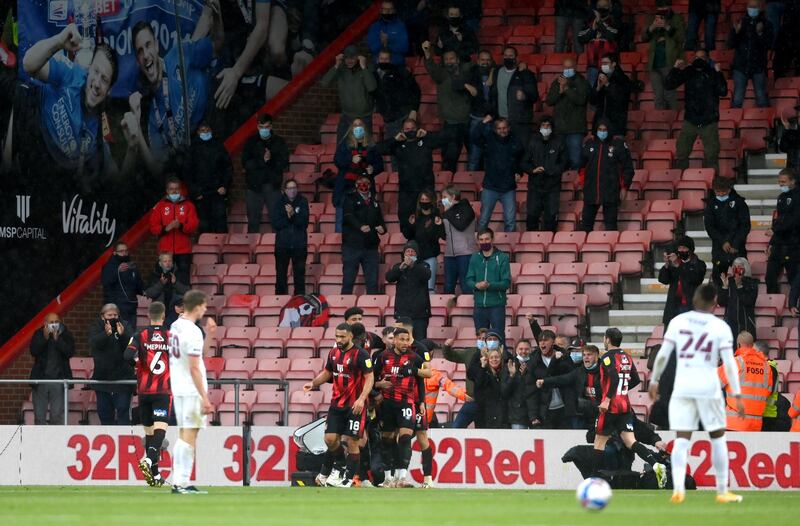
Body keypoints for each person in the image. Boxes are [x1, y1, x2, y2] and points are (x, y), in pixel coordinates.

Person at [650, 283, 746, 504]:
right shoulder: (720, 327)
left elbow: (663, 354)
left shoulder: (677, 322)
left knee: (682, 440)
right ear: (714, 303)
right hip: (708, 388)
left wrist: (654, 380)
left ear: (693, 300)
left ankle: (678, 490)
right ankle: (722, 491)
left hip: (683, 387)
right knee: (718, 439)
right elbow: (730, 363)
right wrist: (737, 394)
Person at [8, 24, 123, 188]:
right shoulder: (72, 74)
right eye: (96, 72)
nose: (97, 83)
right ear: (89, 70)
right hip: (34, 124)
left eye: (104, 80)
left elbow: (113, 175)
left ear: (109, 90)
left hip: (52, 169)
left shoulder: (100, 124)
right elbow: (28, 64)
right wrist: (59, 41)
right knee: (19, 93)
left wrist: (133, 147)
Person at [129, 19, 214, 174]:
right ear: (137, 61)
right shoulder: (154, 120)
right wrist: (137, 128)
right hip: (196, 158)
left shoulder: (179, 54)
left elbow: (216, 46)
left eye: (148, 45)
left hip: (214, 117)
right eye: (140, 51)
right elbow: (157, 170)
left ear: (156, 45)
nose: (146, 55)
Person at [305, 323, 374, 487]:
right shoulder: (333, 353)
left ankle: (348, 478)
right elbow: (328, 372)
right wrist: (314, 383)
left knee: (352, 441)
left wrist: (362, 398)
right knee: (329, 439)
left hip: (355, 405)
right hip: (337, 404)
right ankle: (341, 465)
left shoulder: (361, 354)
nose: (339, 339)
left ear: (350, 336)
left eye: (342, 336)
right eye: (337, 336)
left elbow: (370, 378)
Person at [591, 328, 664, 483]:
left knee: (599, 442)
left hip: (610, 407)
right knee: (631, 441)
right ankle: (656, 464)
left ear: (608, 339)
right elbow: (636, 379)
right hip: (625, 407)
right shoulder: (627, 357)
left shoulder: (606, 358)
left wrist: (608, 399)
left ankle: (594, 480)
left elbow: (615, 379)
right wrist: (621, 392)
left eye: (604, 338)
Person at [168, 289, 215, 494]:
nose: (205, 309)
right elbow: (195, 366)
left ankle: (180, 481)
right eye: (204, 306)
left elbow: (200, 354)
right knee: (189, 434)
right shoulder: (192, 331)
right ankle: (181, 482)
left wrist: (211, 335)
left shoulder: (175, 325)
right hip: (191, 389)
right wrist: (205, 397)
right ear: (197, 306)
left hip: (178, 387)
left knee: (184, 433)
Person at [124, 301, 171, 487]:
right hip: (162, 390)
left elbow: (127, 355)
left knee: (150, 433)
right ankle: (149, 460)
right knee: (160, 430)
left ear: (149, 316)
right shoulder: (170, 336)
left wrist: (138, 364)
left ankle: (155, 475)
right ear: (164, 315)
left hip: (144, 391)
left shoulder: (140, 335)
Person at [374, 328, 427, 487]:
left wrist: (421, 401)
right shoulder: (383, 357)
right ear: (395, 340)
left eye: (407, 339)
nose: (405, 343)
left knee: (405, 438)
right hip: (387, 403)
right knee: (387, 440)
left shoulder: (414, 357)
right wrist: (378, 385)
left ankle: (401, 478)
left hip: (406, 402)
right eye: (401, 339)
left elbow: (424, 377)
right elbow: (370, 379)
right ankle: (388, 479)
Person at [664, 50, 727, 174]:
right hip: (690, 120)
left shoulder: (712, 73)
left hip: (709, 120)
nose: (698, 60)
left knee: (712, 156)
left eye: (702, 58)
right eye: (696, 57)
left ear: (707, 59)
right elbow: (668, 85)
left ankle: (712, 186)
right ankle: (680, 181)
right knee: (681, 153)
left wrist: (719, 72)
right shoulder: (689, 71)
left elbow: (723, 91)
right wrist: (675, 68)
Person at [422, 41, 474, 173]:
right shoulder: (442, 74)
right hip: (450, 124)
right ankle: (447, 188)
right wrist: (427, 53)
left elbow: (485, 65)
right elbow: (431, 68)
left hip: (468, 122)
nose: (449, 61)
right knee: (449, 160)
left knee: (476, 158)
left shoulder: (468, 70)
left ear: (457, 59)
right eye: (446, 59)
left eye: (452, 58)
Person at [386, 119, 445, 231]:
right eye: (407, 129)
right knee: (407, 223)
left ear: (417, 129)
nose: (410, 131)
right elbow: (379, 149)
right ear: (402, 131)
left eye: (413, 128)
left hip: (425, 190)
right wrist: (394, 139)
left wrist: (427, 134)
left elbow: (445, 139)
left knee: (429, 224)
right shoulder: (398, 145)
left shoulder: (426, 141)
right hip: (406, 192)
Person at [579, 120, 634, 232]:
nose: (602, 132)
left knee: (611, 226)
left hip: (611, 191)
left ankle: (611, 248)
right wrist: (583, 185)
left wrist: (624, 187)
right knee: (585, 225)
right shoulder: (589, 144)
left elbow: (628, 168)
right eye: (600, 130)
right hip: (591, 190)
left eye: (605, 130)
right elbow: (582, 168)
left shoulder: (618, 145)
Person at [474, 116, 524, 232]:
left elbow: (521, 159)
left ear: (509, 128)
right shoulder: (489, 140)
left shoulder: (515, 141)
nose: (502, 130)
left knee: (510, 221)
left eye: (505, 128)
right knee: (483, 220)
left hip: (508, 188)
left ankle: (509, 247)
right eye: (499, 128)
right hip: (490, 187)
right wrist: (482, 123)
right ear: (495, 129)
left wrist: (519, 172)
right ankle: (480, 247)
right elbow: (474, 137)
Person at [242, 113, 290, 234]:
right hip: (254, 186)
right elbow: (245, 163)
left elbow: (284, 162)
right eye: (261, 127)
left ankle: (278, 248)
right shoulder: (250, 143)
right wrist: (262, 161)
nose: (264, 129)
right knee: (253, 220)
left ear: (271, 127)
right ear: (258, 127)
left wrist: (271, 160)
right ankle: (252, 249)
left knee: (276, 219)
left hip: (272, 185)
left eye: (266, 127)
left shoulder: (279, 142)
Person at [334, 119, 384, 232]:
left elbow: (380, 164)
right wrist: (350, 160)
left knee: (366, 221)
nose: (358, 128)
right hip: (346, 189)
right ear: (351, 129)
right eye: (355, 125)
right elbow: (337, 161)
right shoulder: (344, 145)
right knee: (342, 220)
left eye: (360, 125)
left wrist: (373, 168)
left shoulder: (371, 146)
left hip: (366, 189)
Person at [182, 122, 233, 234]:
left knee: (221, 227)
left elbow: (228, 168)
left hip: (217, 193)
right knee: (204, 228)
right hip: (201, 196)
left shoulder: (219, 147)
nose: (205, 132)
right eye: (202, 130)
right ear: (198, 132)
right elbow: (187, 174)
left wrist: (224, 185)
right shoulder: (192, 150)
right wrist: (195, 192)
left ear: (211, 131)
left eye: (207, 130)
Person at [89, 304, 134, 426]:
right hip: (103, 378)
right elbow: (94, 343)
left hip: (123, 378)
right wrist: (106, 334)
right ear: (103, 316)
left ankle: (123, 440)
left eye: (115, 315)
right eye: (109, 315)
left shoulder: (125, 325)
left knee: (123, 410)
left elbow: (132, 345)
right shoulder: (97, 326)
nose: (113, 317)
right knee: (104, 412)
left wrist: (122, 335)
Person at [149, 177, 199, 285]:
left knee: (183, 281)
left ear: (180, 190)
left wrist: (180, 226)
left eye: (176, 189)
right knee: (165, 280)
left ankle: (182, 301)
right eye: (171, 189)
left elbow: (193, 225)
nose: (174, 191)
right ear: (167, 191)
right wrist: (166, 228)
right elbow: (153, 227)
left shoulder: (189, 206)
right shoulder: (160, 206)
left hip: (184, 251)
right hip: (165, 251)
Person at [718, 331, 773, 431]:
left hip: (735, 422)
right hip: (756, 424)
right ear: (752, 345)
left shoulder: (736, 362)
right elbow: (768, 391)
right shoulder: (766, 366)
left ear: (738, 344)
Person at [321, 45, 376, 143]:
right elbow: (324, 83)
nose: (349, 61)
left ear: (358, 58)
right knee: (341, 147)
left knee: (365, 148)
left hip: (364, 117)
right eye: (347, 58)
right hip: (346, 116)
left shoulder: (367, 68)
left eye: (352, 58)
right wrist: (336, 65)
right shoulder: (341, 70)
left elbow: (372, 87)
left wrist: (363, 67)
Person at [342, 175, 386, 295]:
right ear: (356, 185)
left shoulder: (374, 202)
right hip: (352, 246)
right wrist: (360, 226)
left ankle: (372, 306)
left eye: (366, 182)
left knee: (372, 282)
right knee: (348, 280)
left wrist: (383, 229)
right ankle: (344, 307)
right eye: (360, 183)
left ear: (370, 185)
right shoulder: (350, 198)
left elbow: (380, 221)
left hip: (370, 247)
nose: (363, 185)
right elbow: (348, 216)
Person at [540, 344, 602, 430]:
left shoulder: (605, 372)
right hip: (581, 414)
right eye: (584, 355)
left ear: (596, 356)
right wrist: (545, 381)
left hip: (599, 413)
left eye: (589, 355)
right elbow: (562, 379)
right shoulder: (578, 372)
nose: (586, 357)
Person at [522, 117, 568, 232]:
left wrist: (550, 170)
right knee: (532, 215)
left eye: (548, 126)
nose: (546, 128)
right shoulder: (532, 141)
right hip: (535, 185)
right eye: (544, 126)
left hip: (553, 186)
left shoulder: (559, 142)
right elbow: (523, 162)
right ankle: (531, 243)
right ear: (540, 127)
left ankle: (550, 242)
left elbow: (564, 163)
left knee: (551, 216)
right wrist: (533, 170)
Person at [373, 50, 420, 161]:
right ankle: (396, 177)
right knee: (394, 151)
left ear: (391, 60)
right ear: (377, 60)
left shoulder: (400, 72)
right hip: (389, 119)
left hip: (403, 115)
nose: (384, 61)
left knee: (408, 149)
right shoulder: (373, 75)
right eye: (382, 59)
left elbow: (415, 90)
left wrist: (414, 110)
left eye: (386, 59)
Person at [704, 177, 751, 287]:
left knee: (741, 278)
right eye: (717, 192)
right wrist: (722, 242)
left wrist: (735, 243)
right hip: (719, 248)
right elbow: (709, 227)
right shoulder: (711, 204)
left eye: (723, 192)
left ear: (729, 189)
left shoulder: (739, 203)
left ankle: (740, 302)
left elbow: (745, 225)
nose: (720, 194)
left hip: (737, 247)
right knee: (718, 278)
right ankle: (721, 301)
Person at [29, 313, 75, 425]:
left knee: (56, 416)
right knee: (39, 417)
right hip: (41, 380)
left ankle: (55, 441)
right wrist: (44, 338)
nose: (54, 324)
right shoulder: (39, 333)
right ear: (45, 323)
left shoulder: (66, 334)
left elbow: (70, 352)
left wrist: (57, 340)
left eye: (56, 322)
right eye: (51, 322)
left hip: (59, 381)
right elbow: (34, 351)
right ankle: (40, 441)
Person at [546, 57, 590, 170]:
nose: (567, 69)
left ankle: (575, 185)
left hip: (576, 129)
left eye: (569, 67)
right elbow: (549, 101)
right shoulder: (557, 82)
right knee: (560, 160)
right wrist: (559, 92)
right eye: (565, 67)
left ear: (575, 67)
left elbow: (581, 100)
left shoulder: (582, 81)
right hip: (559, 128)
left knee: (575, 160)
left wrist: (566, 89)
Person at [489, 46, 539, 147]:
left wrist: (525, 96)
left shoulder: (525, 74)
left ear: (516, 58)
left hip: (520, 121)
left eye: (511, 56)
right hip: (501, 120)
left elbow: (534, 96)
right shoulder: (497, 71)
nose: (508, 58)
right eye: (506, 55)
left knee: (521, 151)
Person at [466, 228, 511, 335]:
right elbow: (468, 279)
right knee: (481, 339)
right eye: (481, 240)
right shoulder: (474, 258)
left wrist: (489, 285)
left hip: (497, 305)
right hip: (479, 305)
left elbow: (506, 282)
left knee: (498, 337)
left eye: (487, 239)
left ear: (492, 239)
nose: (484, 242)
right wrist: (476, 285)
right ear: (478, 241)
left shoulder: (502, 257)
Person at [729, 1, 773, 109]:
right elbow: (730, 44)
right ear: (747, 7)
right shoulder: (741, 22)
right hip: (740, 65)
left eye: (755, 7)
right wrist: (736, 32)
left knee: (761, 97)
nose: (752, 9)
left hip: (758, 65)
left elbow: (768, 45)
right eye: (750, 6)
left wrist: (759, 34)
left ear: (760, 7)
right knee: (737, 99)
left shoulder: (766, 24)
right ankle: (736, 123)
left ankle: (763, 122)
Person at [643, 2, 686, 110]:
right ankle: (660, 122)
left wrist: (667, 26)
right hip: (654, 63)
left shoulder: (677, 18)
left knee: (670, 95)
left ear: (669, 7)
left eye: (664, 8)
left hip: (669, 61)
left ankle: (675, 122)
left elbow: (681, 37)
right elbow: (643, 37)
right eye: (659, 8)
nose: (661, 10)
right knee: (658, 96)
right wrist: (652, 26)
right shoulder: (652, 18)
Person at [442, 329, 489, 428]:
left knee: (483, 432)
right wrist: (446, 347)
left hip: (488, 403)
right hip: (472, 400)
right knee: (456, 428)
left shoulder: (495, 355)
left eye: (484, 339)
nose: (481, 341)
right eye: (479, 338)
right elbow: (451, 355)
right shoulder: (470, 353)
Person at [270, 179, 310, 296]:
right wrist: (288, 217)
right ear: (284, 190)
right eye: (289, 188)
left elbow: (304, 224)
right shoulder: (278, 203)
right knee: (281, 276)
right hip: (282, 245)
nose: (292, 191)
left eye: (294, 188)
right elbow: (276, 224)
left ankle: (299, 300)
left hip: (299, 245)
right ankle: (280, 301)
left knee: (299, 276)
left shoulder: (303, 201)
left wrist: (293, 215)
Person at [386, 241, 432, 340]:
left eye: (413, 251)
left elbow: (427, 276)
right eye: (408, 251)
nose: (410, 254)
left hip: (420, 314)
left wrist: (413, 266)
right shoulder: (398, 266)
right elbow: (389, 278)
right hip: (402, 313)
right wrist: (400, 269)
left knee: (420, 342)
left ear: (417, 254)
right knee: (402, 340)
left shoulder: (424, 265)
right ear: (404, 254)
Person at [528, 331, 575, 429]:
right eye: (540, 340)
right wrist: (533, 416)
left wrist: (559, 361)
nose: (542, 343)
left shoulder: (564, 357)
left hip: (564, 409)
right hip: (544, 411)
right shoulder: (533, 361)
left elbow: (570, 378)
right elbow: (530, 390)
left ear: (553, 342)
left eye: (545, 340)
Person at [658, 235, 707, 327]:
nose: (681, 250)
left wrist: (678, 265)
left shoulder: (699, 264)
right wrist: (666, 265)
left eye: (684, 248)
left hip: (689, 306)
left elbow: (695, 279)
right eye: (679, 248)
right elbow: (663, 280)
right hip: (673, 306)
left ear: (690, 250)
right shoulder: (674, 263)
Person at [401, 191, 445, 291]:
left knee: (429, 289)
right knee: (413, 288)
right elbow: (408, 235)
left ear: (431, 201)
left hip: (430, 256)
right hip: (414, 258)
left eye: (427, 200)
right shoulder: (415, 217)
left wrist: (439, 225)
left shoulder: (436, 217)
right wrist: (410, 225)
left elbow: (443, 236)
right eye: (422, 200)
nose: (424, 202)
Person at [766, 168, 800, 293]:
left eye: (784, 182)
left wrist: (775, 229)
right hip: (778, 245)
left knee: (794, 279)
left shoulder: (798, 197)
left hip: (793, 244)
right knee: (770, 277)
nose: (781, 184)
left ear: (793, 181)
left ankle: (794, 306)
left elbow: (794, 220)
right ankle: (773, 303)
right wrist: (771, 242)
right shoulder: (781, 197)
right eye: (779, 181)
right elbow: (780, 219)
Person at [441, 185, 477, 294]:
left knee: (466, 285)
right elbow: (444, 235)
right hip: (449, 254)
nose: (442, 200)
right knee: (448, 286)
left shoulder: (466, 208)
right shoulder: (447, 212)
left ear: (452, 196)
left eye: (444, 197)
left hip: (465, 253)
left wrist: (447, 212)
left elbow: (460, 225)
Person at [101, 241, 144, 332]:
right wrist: (118, 272)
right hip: (116, 306)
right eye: (121, 251)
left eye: (126, 251)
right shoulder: (109, 266)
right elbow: (106, 282)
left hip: (131, 305)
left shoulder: (131, 266)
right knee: (118, 332)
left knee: (130, 332)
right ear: (115, 253)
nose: (124, 253)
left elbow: (139, 285)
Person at [578, 0, 620, 87]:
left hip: (608, 65)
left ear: (610, 7)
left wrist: (600, 22)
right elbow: (581, 38)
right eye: (600, 6)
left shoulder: (614, 21)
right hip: (593, 65)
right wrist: (592, 30)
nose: (602, 8)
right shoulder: (589, 22)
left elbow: (613, 35)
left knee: (608, 91)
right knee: (593, 92)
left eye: (605, 6)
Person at [589, 53, 631, 138]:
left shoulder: (622, 79)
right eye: (602, 63)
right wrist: (597, 88)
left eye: (606, 63)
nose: (603, 65)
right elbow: (592, 101)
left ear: (614, 64)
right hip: (600, 121)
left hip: (616, 122)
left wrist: (608, 84)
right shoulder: (600, 77)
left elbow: (621, 99)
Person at [468, 50, 496, 170]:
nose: (485, 62)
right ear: (478, 61)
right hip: (476, 118)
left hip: (493, 118)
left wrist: (493, 72)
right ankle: (470, 183)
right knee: (474, 156)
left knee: (492, 156)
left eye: (487, 60)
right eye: (483, 60)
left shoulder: (496, 72)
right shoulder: (471, 73)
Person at [468, 348, 509, 428]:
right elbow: (478, 385)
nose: (494, 359)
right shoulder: (483, 371)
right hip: (484, 416)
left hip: (501, 416)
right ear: (488, 359)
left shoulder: (505, 373)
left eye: (497, 357)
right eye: (491, 357)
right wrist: (482, 367)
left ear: (501, 359)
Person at [719, 258, 758, 338]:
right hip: (730, 323)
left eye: (739, 266)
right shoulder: (729, 281)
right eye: (735, 266)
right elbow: (721, 302)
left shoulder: (752, 283)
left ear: (745, 268)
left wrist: (739, 286)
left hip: (746, 323)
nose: (736, 268)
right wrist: (725, 287)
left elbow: (749, 301)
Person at [502, 339, 534, 429]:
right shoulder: (509, 366)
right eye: (521, 349)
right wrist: (513, 375)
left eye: (526, 349)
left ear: (531, 350)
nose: (523, 351)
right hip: (517, 415)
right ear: (516, 350)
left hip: (535, 414)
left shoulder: (535, 364)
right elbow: (504, 391)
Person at [367, 1, 409, 66]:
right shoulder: (374, 27)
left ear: (394, 10)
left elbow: (404, 47)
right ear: (381, 10)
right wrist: (381, 42)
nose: (388, 12)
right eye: (385, 9)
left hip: (396, 60)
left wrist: (387, 43)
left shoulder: (400, 26)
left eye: (390, 9)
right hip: (378, 60)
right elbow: (372, 48)